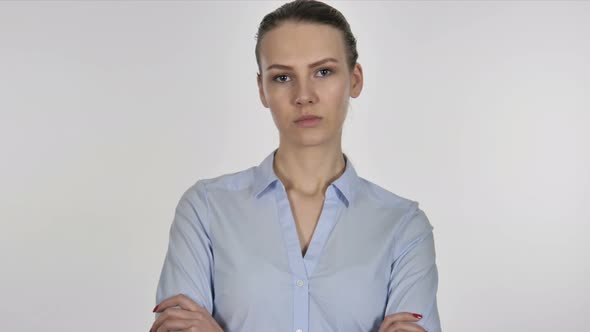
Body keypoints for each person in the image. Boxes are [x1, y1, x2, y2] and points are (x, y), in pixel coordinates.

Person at [150, 1, 441, 331]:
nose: (304, 95)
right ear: (262, 89)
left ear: (355, 79)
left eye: (323, 72)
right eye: (283, 77)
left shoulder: (403, 227)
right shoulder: (205, 210)